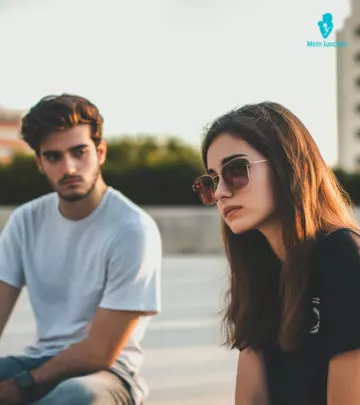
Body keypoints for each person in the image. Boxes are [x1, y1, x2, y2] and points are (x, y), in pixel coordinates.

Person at [192, 101, 360, 405]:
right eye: (211, 180)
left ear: (287, 165)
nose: (219, 193)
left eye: (235, 170)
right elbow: (250, 398)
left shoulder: (343, 256)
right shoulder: (258, 267)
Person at [0, 94, 162, 405]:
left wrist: (22, 385)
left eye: (79, 152)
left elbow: (99, 351)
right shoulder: (26, 221)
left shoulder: (132, 229)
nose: (69, 167)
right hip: (39, 361)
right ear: (39, 162)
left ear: (100, 152)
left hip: (108, 375)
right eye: (53, 157)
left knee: (75, 396)